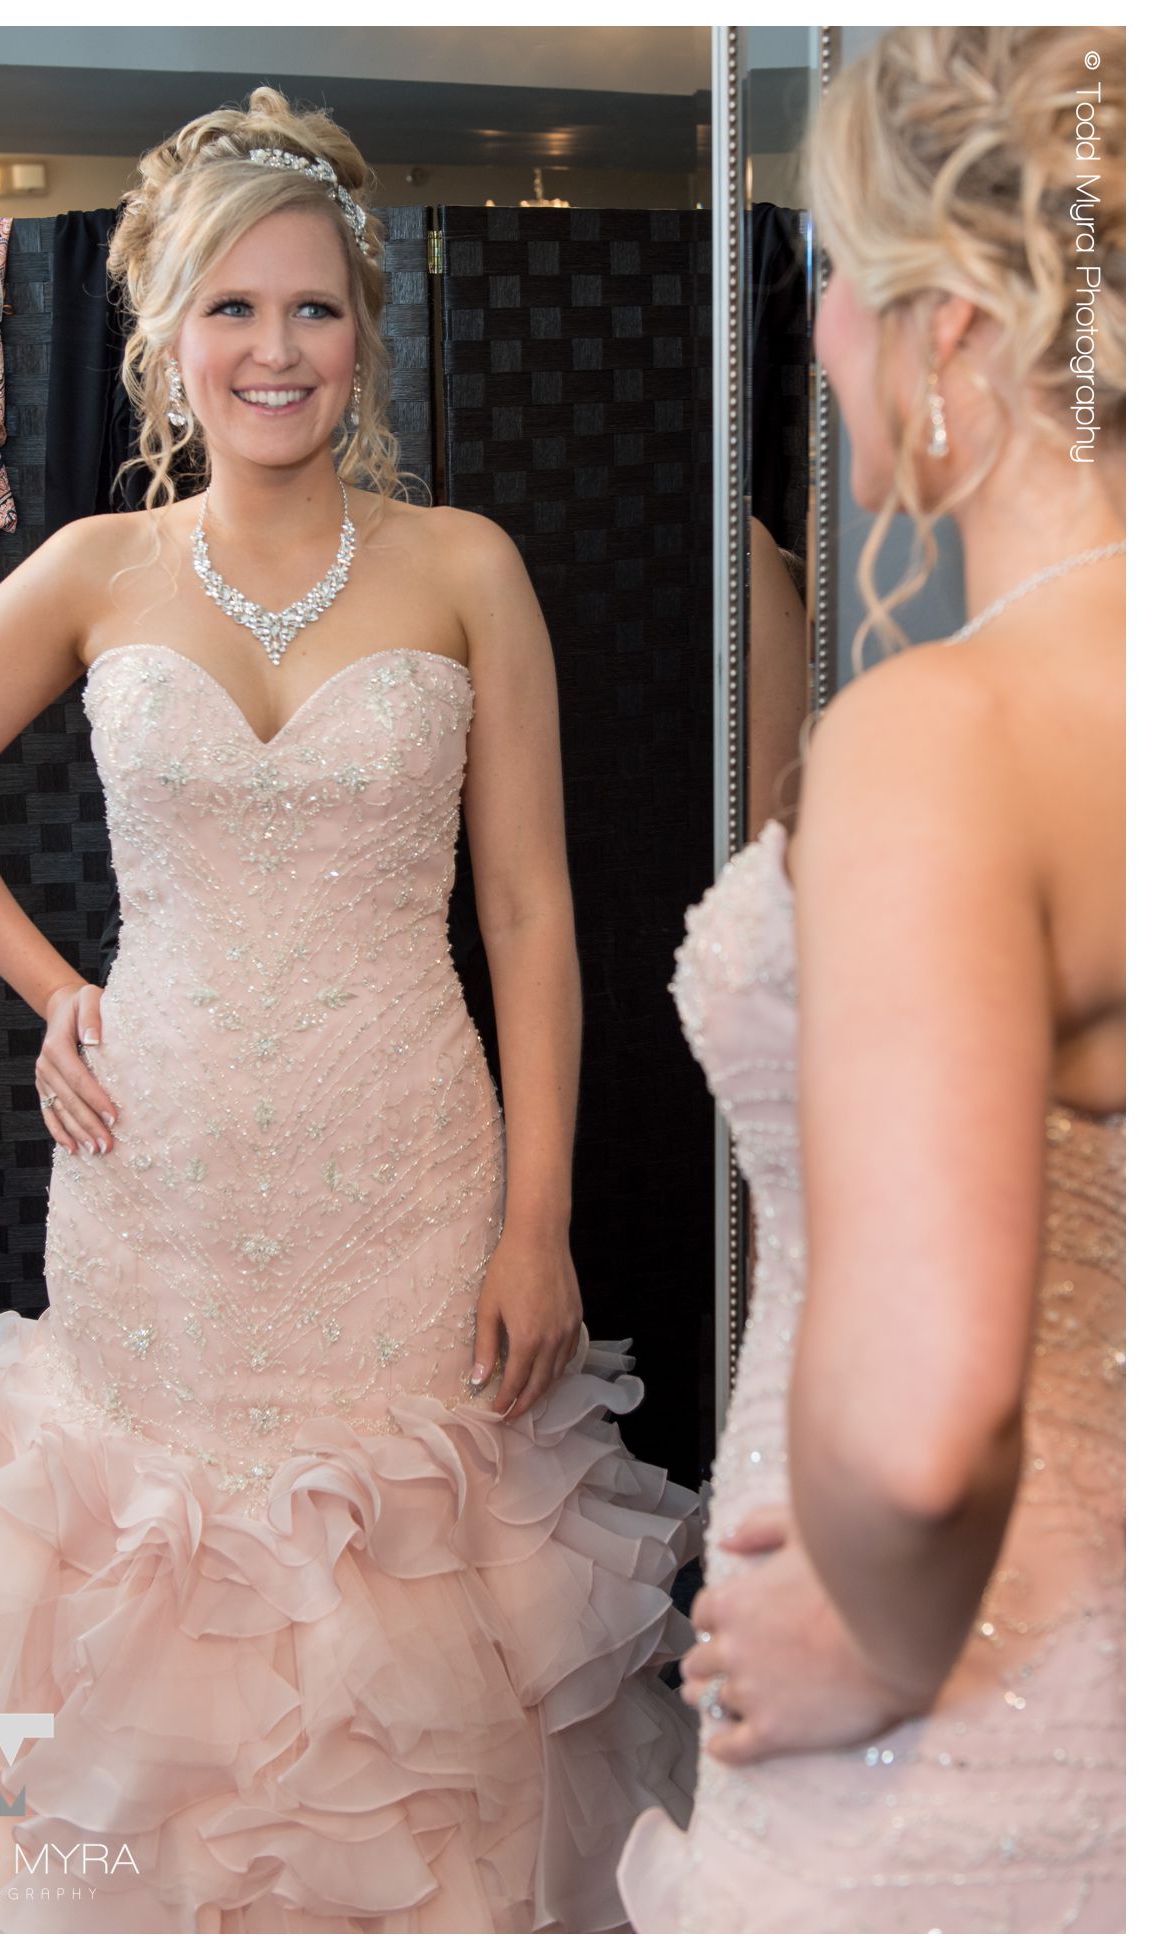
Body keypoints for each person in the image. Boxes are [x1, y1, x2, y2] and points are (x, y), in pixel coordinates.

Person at [0, 87, 697, 1935]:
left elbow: (529, 911)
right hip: (153, 1193)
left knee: (418, 1620)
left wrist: (537, 1218)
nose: (274, 349)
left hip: (408, 1180)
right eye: (231, 308)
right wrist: (56, 988)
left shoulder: (465, 565)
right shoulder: (93, 570)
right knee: (139, 1599)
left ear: (365, 332)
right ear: (166, 336)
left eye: (313, 307)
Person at [618, 25, 1124, 1933]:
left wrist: (876, 1656)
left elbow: (919, 1445)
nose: (819, 344)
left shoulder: (952, 733)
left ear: (954, 324)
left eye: (833, 282)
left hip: (962, 1721)